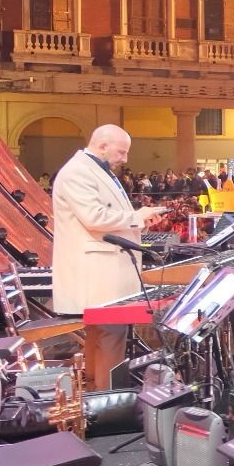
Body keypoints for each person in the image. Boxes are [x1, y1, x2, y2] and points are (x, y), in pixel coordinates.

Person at [51, 125, 167, 383]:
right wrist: (137, 216)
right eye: (121, 152)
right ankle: (109, 399)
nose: (125, 158)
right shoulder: (78, 172)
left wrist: (141, 221)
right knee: (110, 337)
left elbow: (111, 216)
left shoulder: (94, 170)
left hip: (104, 274)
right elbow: (94, 217)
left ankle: (97, 395)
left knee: (102, 338)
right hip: (98, 275)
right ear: (102, 146)